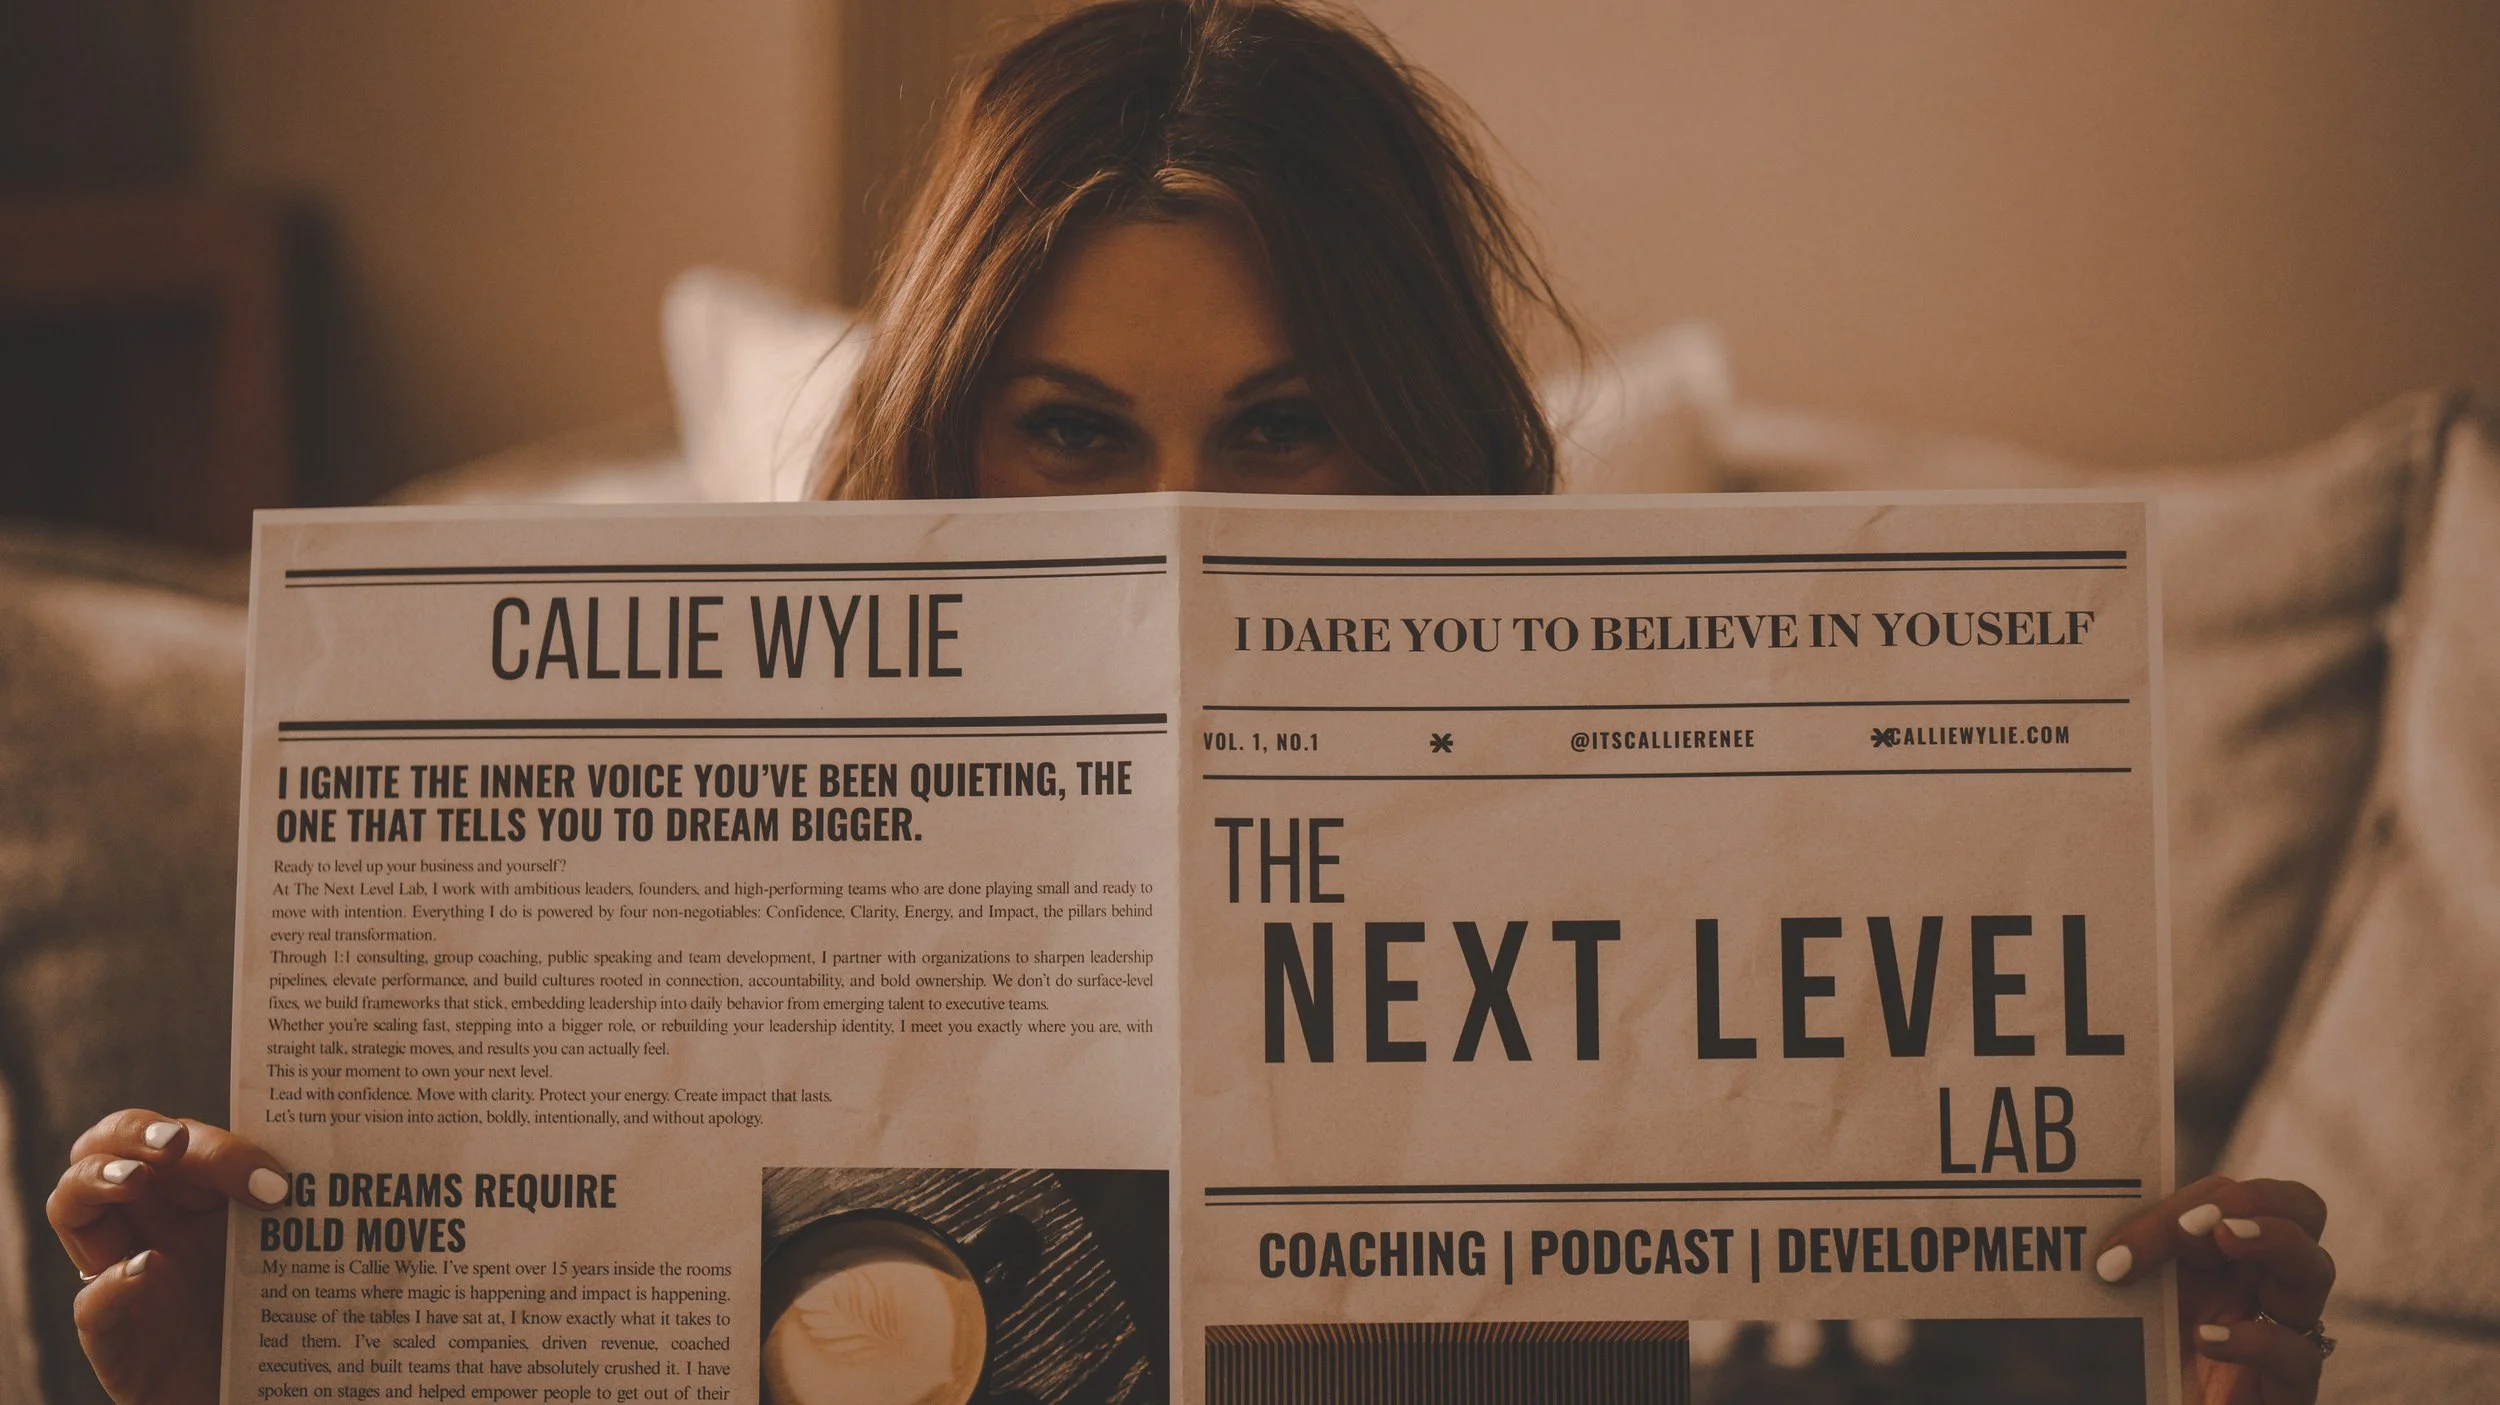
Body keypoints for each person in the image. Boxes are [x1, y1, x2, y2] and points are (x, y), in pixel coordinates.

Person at [46, 3, 2335, 1403]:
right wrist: (240, 1387)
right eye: (1068, 431)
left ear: (1416, 436)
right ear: (943, 446)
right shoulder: (709, 946)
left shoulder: (1676, 897)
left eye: (1279, 423)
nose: (1168, 525)